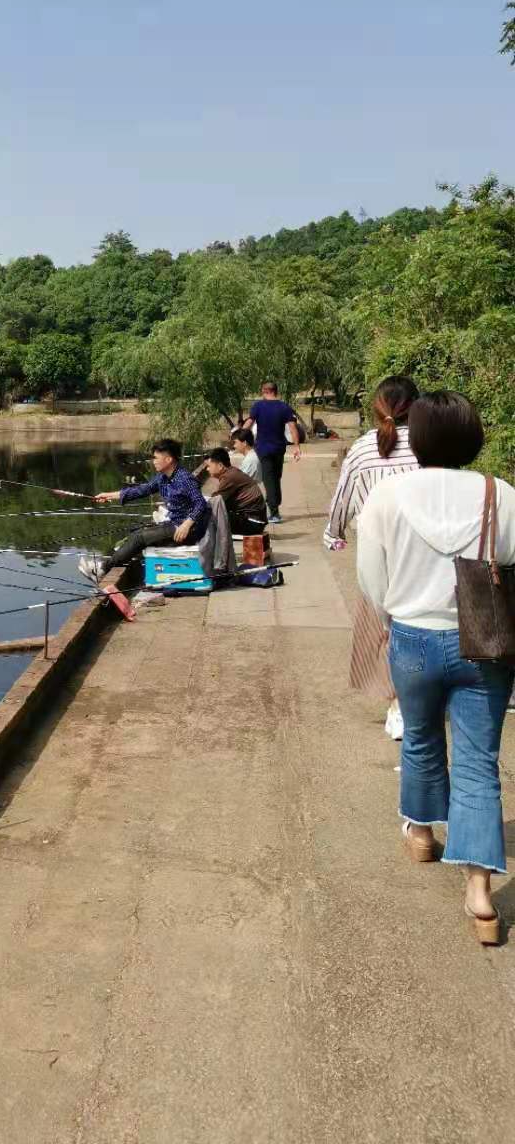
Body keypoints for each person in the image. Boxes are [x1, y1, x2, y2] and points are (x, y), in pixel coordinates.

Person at [357, 391, 515, 945]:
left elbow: (371, 578)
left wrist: (391, 617)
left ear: (416, 438)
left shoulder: (387, 496)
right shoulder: (502, 495)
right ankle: (479, 896)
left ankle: (422, 834)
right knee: (478, 763)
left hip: (413, 638)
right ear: (473, 437)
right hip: (485, 645)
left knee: (421, 740)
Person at [325, 376, 420, 740]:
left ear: (376, 407)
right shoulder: (429, 445)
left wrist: (333, 536)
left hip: (378, 554)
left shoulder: (362, 449)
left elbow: (341, 504)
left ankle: (397, 704)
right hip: (422, 549)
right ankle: (415, 701)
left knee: (386, 628)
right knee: (422, 623)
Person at [79, 438, 210, 583]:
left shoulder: (184, 478)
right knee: (137, 531)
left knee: (139, 538)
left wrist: (187, 524)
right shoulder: (163, 478)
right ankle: (110, 563)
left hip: (187, 529)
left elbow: (201, 504)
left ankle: (102, 569)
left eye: (156, 458)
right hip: (174, 523)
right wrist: (109, 495)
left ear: (168, 459)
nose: (153, 461)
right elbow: (141, 490)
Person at [243, 382, 304, 523]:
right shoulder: (284, 407)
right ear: (275, 391)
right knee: (274, 477)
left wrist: (238, 436)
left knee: (271, 478)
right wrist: (296, 446)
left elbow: (249, 424)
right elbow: (293, 428)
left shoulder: (258, 406)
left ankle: (274, 509)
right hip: (279, 448)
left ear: (264, 391)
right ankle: (274, 506)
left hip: (263, 448)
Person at [200, 448, 267, 535]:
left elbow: (215, 502)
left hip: (252, 523)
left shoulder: (229, 477)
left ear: (220, 465)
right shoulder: (231, 473)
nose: (207, 469)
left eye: (209, 466)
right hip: (254, 521)